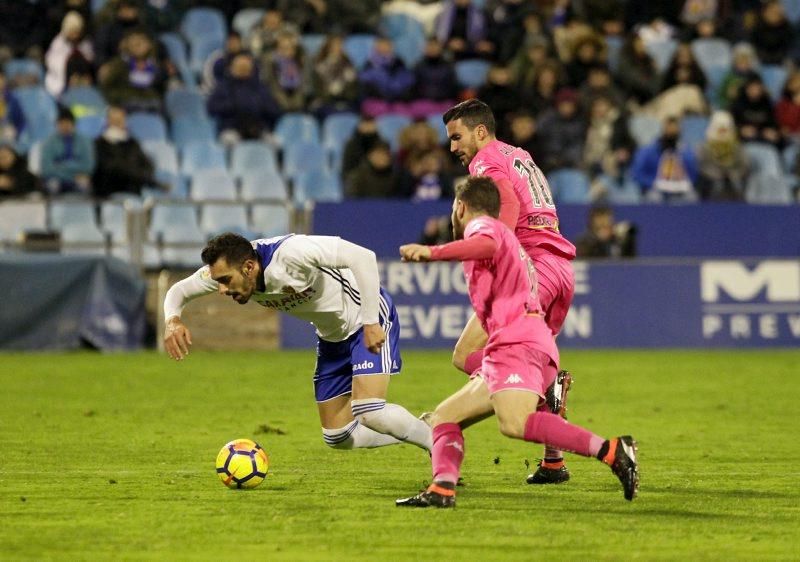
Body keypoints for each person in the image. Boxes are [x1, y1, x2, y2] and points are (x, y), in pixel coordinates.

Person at [395, 177, 639, 508]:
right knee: (444, 417)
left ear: (460, 207)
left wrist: (432, 252)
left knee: (515, 423)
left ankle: (611, 450)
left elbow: (487, 245)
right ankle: (442, 488)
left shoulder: (485, 228)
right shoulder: (502, 237)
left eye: (454, 208)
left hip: (517, 342)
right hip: (513, 343)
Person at [163, 232, 432, 455]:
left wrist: (371, 321)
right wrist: (172, 320)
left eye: (225, 281)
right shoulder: (230, 268)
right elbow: (179, 291)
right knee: (338, 436)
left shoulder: (292, 254)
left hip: (364, 318)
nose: (221, 290)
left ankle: (441, 446)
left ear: (249, 267)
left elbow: (363, 257)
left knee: (368, 410)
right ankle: (422, 428)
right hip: (331, 337)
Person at [442, 98, 577, 485]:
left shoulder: (484, 161)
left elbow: (512, 204)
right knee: (534, 359)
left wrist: (498, 257)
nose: (453, 147)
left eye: (457, 137)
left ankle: (541, 392)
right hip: (558, 267)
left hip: (532, 267)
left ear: (480, 132)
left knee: (466, 354)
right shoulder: (519, 154)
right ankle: (554, 461)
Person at [92, 105, 159, 198]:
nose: (118, 124)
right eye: (115, 121)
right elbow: (109, 168)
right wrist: (135, 172)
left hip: (134, 189)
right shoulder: (99, 143)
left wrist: (137, 174)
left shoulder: (133, 143)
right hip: (108, 192)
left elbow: (147, 165)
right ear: (108, 121)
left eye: (120, 120)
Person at [631, 116, 699, 202]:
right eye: (668, 131)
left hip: (679, 189)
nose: (671, 133)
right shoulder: (648, 151)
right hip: (657, 189)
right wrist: (654, 183)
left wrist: (683, 184)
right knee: (655, 198)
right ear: (663, 130)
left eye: (674, 132)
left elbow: (693, 174)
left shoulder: (685, 151)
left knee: (691, 197)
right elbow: (637, 173)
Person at [40, 106, 95, 195]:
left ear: (73, 124)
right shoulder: (49, 142)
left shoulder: (85, 141)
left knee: (84, 183)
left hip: (79, 178)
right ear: (57, 124)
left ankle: (83, 209)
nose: (65, 126)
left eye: (67, 123)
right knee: (52, 185)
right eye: (61, 123)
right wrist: (70, 174)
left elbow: (88, 166)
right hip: (56, 178)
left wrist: (60, 166)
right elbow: (46, 169)